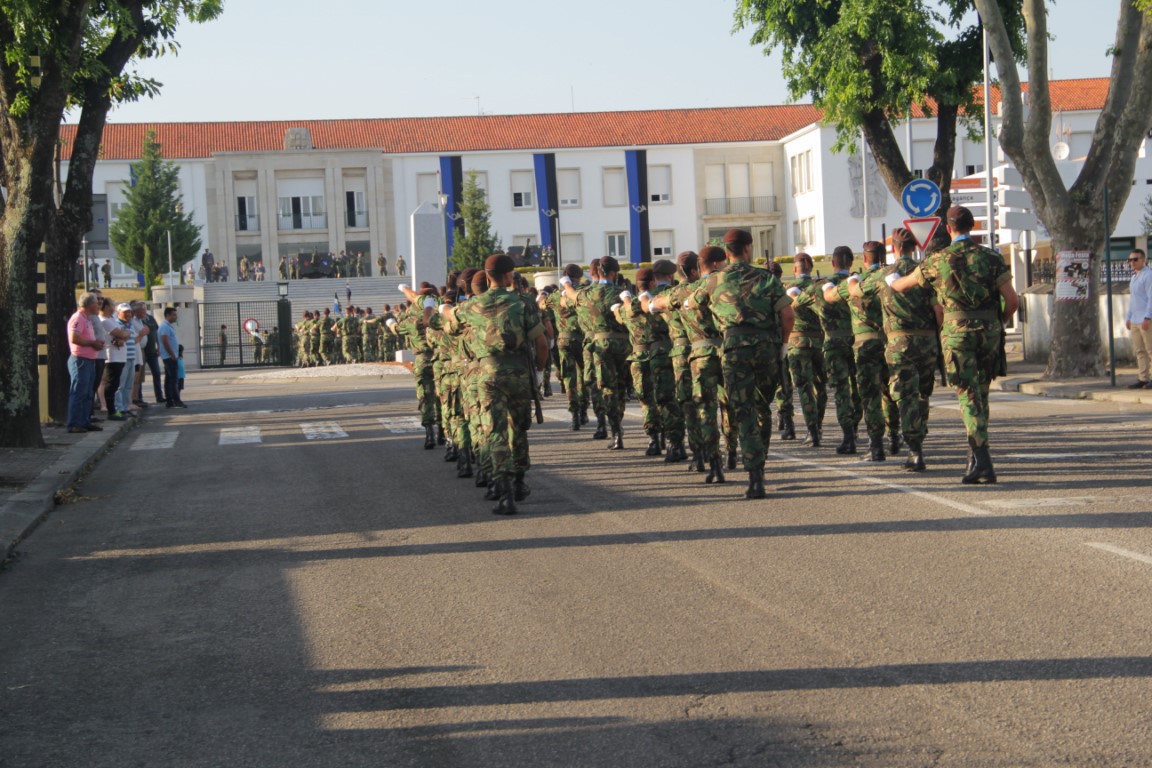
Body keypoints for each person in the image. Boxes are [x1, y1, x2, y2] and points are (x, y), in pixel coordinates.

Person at [890, 205, 1018, 484]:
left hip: (957, 335)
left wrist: (890, 278)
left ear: (948, 230)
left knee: (968, 395)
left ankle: (982, 460)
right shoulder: (992, 258)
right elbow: (1012, 301)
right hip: (989, 332)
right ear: (973, 226)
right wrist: (998, 324)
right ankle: (975, 455)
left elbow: (903, 285)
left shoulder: (939, 260)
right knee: (981, 395)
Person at [687, 229, 793, 498]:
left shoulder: (713, 281)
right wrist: (783, 344)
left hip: (734, 350)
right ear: (748, 248)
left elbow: (691, 306)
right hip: (767, 350)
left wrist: (718, 321)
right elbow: (787, 314)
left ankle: (754, 477)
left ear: (726, 252)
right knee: (762, 407)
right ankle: (761, 462)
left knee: (742, 411)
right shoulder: (766, 277)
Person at [447, 254, 548, 514]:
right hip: (518, 374)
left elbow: (449, 322)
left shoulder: (471, 307)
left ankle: (503, 492)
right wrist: (538, 372)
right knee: (519, 429)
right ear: (507, 276)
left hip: (487, 375)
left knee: (495, 432)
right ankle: (519, 482)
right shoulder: (523, 303)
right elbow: (541, 343)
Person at [870, 227, 942, 472]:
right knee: (922, 395)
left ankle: (914, 449)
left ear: (894, 248)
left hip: (899, 344)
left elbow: (855, 294)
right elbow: (939, 311)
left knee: (905, 396)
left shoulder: (883, 275)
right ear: (914, 247)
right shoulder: (925, 273)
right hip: (927, 342)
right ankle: (918, 439)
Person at [824, 241, 900, 461]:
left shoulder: (858, 282)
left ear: (864, 260)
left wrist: (829, 285)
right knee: (889, 392)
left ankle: (876, 445)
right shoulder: (889, 278)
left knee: (870, 395)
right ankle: (894, 437)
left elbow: (829, 296)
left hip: (865, 345)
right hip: (889, 342)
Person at [560, 255, 631, 449]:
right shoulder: (620, 292)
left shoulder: (586, 294)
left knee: (606, 388)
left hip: (599, 347)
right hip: (623, 347)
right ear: (614, 273)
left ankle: (615, 431)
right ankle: (618, 423)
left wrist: (566, 284)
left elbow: (570, 297)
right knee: (622, 387)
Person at [784, 253, 828, 448]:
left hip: (797, 343)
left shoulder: (787, 289)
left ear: (795, 269)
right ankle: (818, 424)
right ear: (811, 268)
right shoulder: (819, 288)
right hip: (819, 342)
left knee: (804, 388)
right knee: (821, 387)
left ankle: (812, 431)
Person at [67, 293, 105, 433]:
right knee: (78, 392)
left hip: (89, 360)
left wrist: (96, 343)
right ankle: (74, 423)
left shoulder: (87, 319)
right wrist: (92, 343)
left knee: (88, 392)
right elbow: (74, 338)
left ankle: (85, 421)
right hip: (80, 360)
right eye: (96, 303)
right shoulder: (78, 318)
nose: (98, 305)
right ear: (89, 304)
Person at [1126, 249, 1152, 388]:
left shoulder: (1148, 276)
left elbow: (1151, 298)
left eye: (1135, 259)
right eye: (1130, 260)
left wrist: (1148, 317)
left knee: (1150, 349)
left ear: (1143, 260)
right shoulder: (1134, 277)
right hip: (1135, 319)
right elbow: (1133, 299)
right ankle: (1143, 378)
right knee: (1140, 350)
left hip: (1145, 319)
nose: (1132, 262)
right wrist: (1128, 317)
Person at [158, 306, 186, 408]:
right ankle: (176, 400)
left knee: (169, 379)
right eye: (173, 315)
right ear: (168, 315)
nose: (175, 317)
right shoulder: (165, 326)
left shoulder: (168, 326)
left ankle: (169, 400)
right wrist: (172, 354)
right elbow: (165, 341)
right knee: (174, 379)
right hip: (169, 357)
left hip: (170, 356)